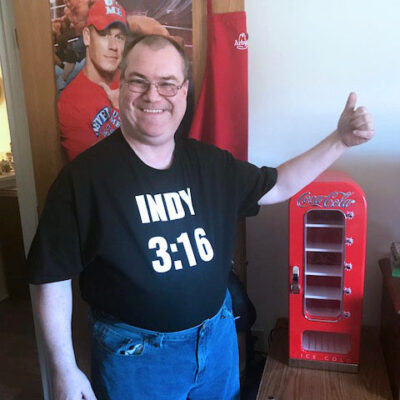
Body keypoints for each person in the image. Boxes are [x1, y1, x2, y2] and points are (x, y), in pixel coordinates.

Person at [28, 34, 375, 400]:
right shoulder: (83, 180)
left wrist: (340, 140)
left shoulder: (212, 165)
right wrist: (63, 368)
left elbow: (280, 184)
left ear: (184, 91)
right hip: (137, 361)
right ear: (120, 86)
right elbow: (50, 277)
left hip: (218, 341)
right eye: (138, 81)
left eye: (167, 84)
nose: (153, 96)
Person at [57, 0, 127, 161]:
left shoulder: (132, 81)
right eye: (104, 34)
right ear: (87, 37)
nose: (114, 46)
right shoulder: (69, 102)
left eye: (119, 37)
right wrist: (117, 111)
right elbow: (86, 168)